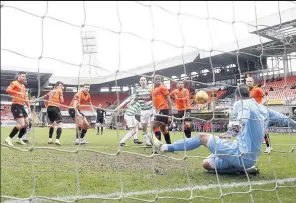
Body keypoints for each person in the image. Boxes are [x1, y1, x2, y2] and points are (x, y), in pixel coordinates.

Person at [150, 84, 268, 174]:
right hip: (249, 157)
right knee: (207, 164)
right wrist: (227, 135)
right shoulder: (258, 107)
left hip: (241, 153)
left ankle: (165, 147)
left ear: (237, 97)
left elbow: (243, 118)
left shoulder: (242, 105)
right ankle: (244, 169)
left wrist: (232, 130)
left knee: (202, 137)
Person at [246, 76, 272, 153]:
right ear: (245, 82)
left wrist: (260, 105)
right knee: (250, 130)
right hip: (251, 113)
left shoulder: (257, 89)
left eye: (250, 81)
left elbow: (266, 98)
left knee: (263, 130)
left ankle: (269, 147)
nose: (249, 83)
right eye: (247, 81)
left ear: (253, 82)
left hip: (260, 112)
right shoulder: (246, 92)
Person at [5, 71, 30, 146]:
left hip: (22, 106)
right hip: (16, 105)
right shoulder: (14, 83)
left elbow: (25, 97)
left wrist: (28, 106)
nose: (24, 77)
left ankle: (19, 139)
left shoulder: (23, 86)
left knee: (26, 124)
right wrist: (17, 93)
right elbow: (8, 90)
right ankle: (8, 138)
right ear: (18, 76)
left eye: (25, 76)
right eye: (22, 76)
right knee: (21, 124)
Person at [151, 75, 173, 144]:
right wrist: (140, 98)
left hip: (163, 109)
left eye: (159, 79)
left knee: (154, 126)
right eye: (156, 79)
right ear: (153, 80)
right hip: (158, 110)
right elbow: (150, 98)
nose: (158, 80)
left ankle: (158, 145)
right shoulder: (152, 89)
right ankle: (169, 145)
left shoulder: (163, 87)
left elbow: (169, 99)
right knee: (163, 128)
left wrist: (170, 111)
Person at [134, 76, 153, 147]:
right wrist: (131, 103)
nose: (143, 81)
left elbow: (154, 98)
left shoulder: (150, 89)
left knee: (151, 126)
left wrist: (150, 102)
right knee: (144, 127)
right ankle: (147, 142)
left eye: (144, 80)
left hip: (151, 109)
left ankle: (153, 141)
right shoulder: (138, 90)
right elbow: (135, 99)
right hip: (143, 111)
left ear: (146, 81)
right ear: (139, 82)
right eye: (141, 80)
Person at [44, 81, 64, 145]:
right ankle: (57, 140)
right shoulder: (59, 90)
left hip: (49, 108)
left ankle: (50, 140)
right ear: (57, 85)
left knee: (52, 124)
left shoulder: (51, 91)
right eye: (61, 85)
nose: (61, 87)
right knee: (60, 124)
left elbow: (45, 96)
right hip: (55, 107)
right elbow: (62, 100)